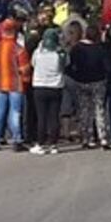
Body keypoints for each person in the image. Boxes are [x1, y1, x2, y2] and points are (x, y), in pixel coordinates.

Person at [0, 15, 32, 152]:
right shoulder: (19, 49)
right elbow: (25, 69)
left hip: (0, 84)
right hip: (15, 85)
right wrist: (25, 80)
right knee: (15, 112)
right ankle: (16, 141)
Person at [68, 23, 111, 150]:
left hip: (82, 81)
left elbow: (70, 66)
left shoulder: (77, 49)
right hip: (98, 82)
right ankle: (103, 137)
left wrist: (75, 76)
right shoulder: (100, 49)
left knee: (84, 110)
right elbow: (108, 67)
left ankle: (86, 138)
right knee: (99, 110)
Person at [30, 24, 67, 154]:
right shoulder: (60, 54)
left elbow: (32, 64)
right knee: (54, 117)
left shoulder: (38, 53)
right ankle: (53, 144)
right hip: (56, 87)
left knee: (41, 117)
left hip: (39, 87)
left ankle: (40, 144)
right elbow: (66, 65)